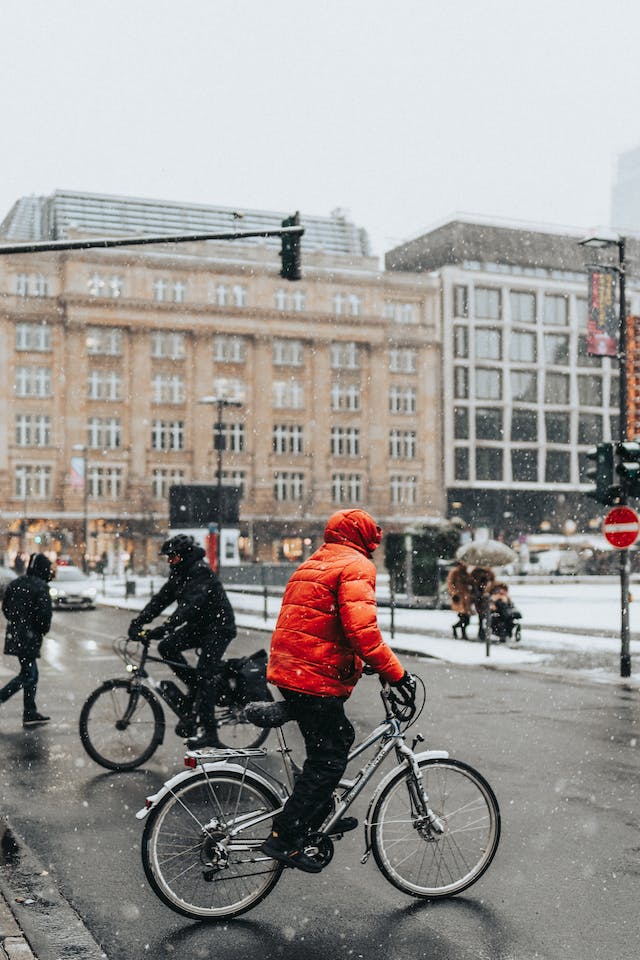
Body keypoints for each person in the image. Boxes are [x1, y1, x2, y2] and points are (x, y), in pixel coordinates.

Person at [260, 509, 417, 874]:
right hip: (312, 675)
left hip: (291, 670)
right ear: (363, 538)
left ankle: (313, 817)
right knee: (331, 753)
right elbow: (363, 631)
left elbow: (319, 623)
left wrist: (355, 666)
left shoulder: (313, 563)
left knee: (323, 747)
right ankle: (285, 835)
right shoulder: (356, 565)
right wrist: (397, 674)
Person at [127, 534, 236, 747]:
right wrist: (138, 621)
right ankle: (196, 687)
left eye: (173, 557)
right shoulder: (179, 574)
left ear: (184, 555)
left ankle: (210, 733)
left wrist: (167, 625)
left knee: (206, 672)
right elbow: (160, 600)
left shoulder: (200, 572)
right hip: (199, 627)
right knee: (167, 647)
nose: (170, 562)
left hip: (219, 627)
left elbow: (191, 605)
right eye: (167, 558)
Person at [1, 553, 54, 725]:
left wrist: (17, 622)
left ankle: (30, 711)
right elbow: (44, 615)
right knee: (29, 675)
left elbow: (6, 608)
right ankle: (22, 708)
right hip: (29, 637)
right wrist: (39, 629)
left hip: (17, 635)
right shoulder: (40, 587)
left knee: (30, 673)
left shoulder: (17, 583)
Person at [468, 565, 496, 642]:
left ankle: (483, 632)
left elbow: (492, 583)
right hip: (479, 597)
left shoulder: (489, 573)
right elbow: (472, 583)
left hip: (485, 597)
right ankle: (482, 632)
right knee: (481, 615)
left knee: (484, 615)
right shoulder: (475, 572)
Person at [446, 560, 472, 639]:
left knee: (466, 618)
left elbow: (470, 582)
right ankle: (463, 633)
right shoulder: (455, 572)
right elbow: (450, 583)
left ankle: (457, 629)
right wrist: (454, 593)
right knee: (463, 617)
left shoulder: (466, 573)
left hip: (466, 598)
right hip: (459, 598)